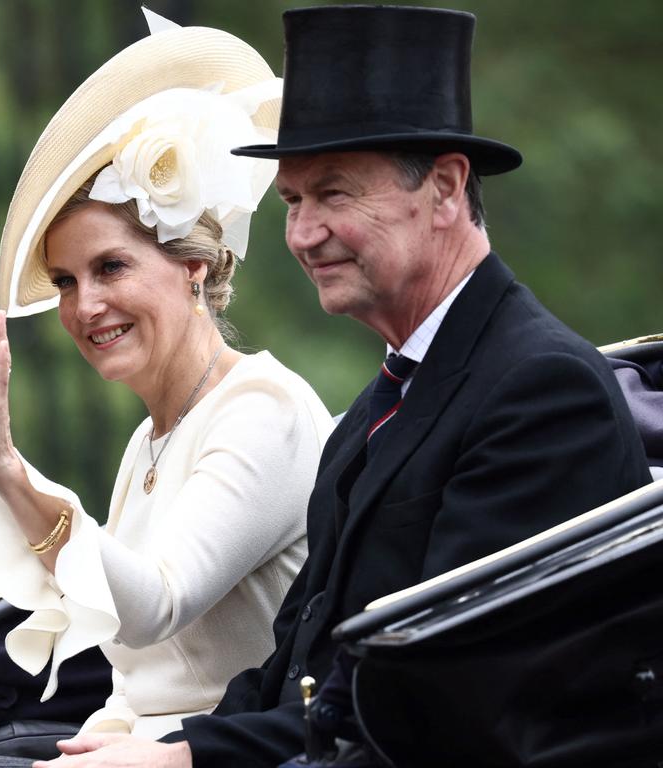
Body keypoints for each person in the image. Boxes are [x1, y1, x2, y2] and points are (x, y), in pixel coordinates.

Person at [35, 5, 653, 767]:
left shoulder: (541, 392)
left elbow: (443, 695)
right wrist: (168, 744)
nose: (300, 234)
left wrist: (180, 759)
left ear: (447, 188)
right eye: (293, 201)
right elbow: (290, 669)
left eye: (334, 194)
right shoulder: (374, 409)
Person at [0, 10, 334, 743]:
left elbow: (156, 603)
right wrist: (108, 728)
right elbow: (138, 673)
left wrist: (8, 468)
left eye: (110, 267)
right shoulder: (150, 440)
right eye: (64, 280)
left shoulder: (262, 413)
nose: (86, 305)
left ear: (194, 267)